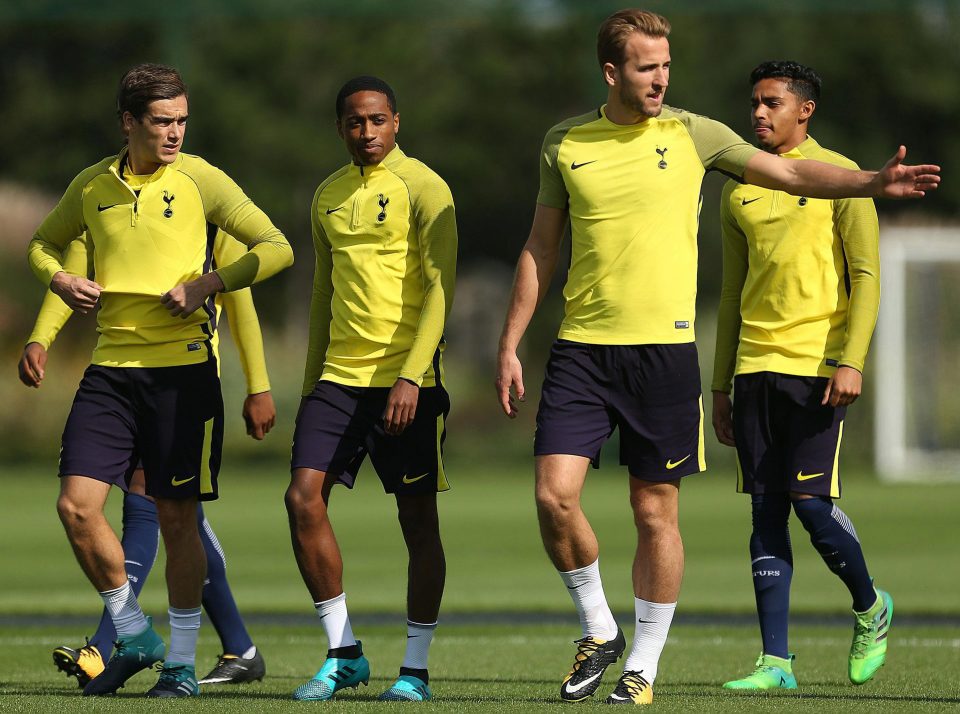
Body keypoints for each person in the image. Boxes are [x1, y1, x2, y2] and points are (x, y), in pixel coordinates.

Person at [494, 9, 938, 707]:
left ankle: (643, 664)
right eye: (647, 67)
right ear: (613, 72)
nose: (661, 78)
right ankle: (601, 628)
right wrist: (510, 341)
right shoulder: (565, 142)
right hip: (584, 349)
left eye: (667, 65)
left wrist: (870, 184)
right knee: (554, 496)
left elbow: (790, 173)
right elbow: (540, 247)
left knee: (667, 513)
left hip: (673, 357)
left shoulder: (695, 133)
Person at [26, 63, 293, 698]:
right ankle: (130, 629)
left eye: (181, 121)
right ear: (128, 123)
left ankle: (178, 665)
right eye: (161, 122)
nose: (174, 133)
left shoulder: (202, 180)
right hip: (111, 374)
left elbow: (276, 245)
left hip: (184, 376)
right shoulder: (92, 186)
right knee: (76, 507)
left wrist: (209, 283)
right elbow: (43, 243)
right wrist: (59, 283)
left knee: (176, 520)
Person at [19, 232, 272, 688]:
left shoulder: (211, 213)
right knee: (173, 516)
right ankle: (239, 646)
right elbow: (74, 272)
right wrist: (41, 337)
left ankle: (108, 642)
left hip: (183, 383)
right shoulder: (106, 202)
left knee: (160, 506)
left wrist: (258, 386)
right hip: (118, 381)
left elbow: (243, 306)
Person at [712, 60, 890, 691]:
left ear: (803, 109)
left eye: (770, 103)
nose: (757, 113)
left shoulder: (841, 178)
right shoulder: (739, 187)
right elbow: (733, 290)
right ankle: (775, 663)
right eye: (753, 103)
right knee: (764, 512)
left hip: (817, 369)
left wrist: (852, 359)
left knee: (811, 505)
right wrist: (720, 384)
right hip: (754, 371)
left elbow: (867, 277)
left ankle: (870, 606)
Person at [285, 75, 457, 703]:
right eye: (356, 122)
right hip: (338, 379)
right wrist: (309, 386)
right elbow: (323, 295)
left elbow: (441, 290)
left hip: (408, 380)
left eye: (378, 120)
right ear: (341, 128)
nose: (368, 132)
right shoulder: (326, 195)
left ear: (396, 122)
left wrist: (412, 373)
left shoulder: (426, 187)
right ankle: (343, 651)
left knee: (417, 520)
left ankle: (415, 668)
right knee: (303, 498)